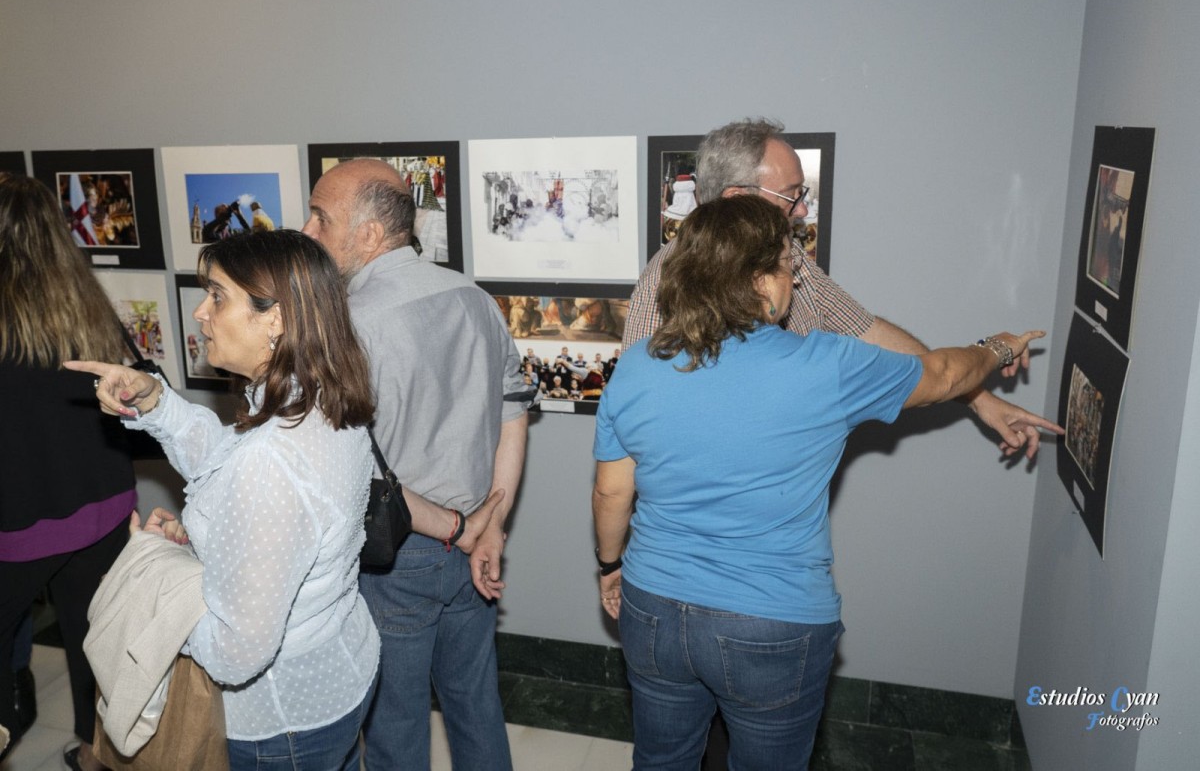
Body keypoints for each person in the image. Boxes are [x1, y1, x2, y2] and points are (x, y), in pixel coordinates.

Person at [593, 196, 1048, 769]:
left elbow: (612, 493)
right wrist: (999, 345)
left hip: (652, 605)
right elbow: (945, 373)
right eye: (789, 265)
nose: (795, 278)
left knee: (661, 761)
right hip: (772, 623)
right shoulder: (826, 366)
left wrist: (610, 567)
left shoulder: (635, 365)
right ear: (760, 279)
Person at [67, 230, 380, 770]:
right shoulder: (318, 398)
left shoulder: (272, 460)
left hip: (277, 722)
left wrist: (165, 573)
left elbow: (236, 654)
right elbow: (229, 462)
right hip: (337, 670)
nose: (200, 313)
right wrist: (158, 402)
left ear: (275, 318)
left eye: (218, 296)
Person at [624, 117, 1062, 459]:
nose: (800, 210)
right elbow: (637, 422)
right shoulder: (664, 283)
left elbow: (868, 332)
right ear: (740, 199)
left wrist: (980, 399)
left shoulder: (792, 261)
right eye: (791, 195)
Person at [302, 159, 532, 771]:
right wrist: (492, 521)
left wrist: (467, 527)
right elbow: (515, 409)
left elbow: (347, 467)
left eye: (322, 218)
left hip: (396, 555)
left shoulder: (345, 325)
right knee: (476, 706)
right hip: (471, 542)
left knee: (393, 723)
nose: (308, 230)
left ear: (372, 234)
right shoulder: (475, 298)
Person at [0, 173, 136, 771]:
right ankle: (96, 753)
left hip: (20, 523)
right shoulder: (89, 308)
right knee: (97, 645)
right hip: (102, 508)